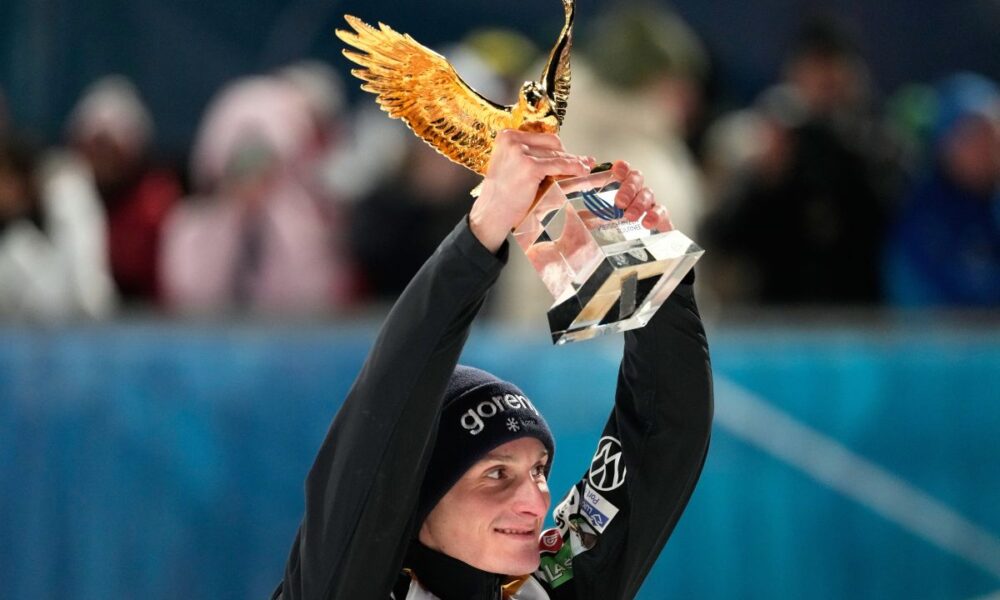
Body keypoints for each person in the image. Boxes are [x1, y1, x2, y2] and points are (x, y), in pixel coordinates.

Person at [272, 130, 714, 599]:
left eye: (540, 470)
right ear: (414, 495)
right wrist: (486, 224)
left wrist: (650, 278)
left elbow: (661, 436)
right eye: (497, 474)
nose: (536, 500)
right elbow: (385, 417)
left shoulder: (546, 589)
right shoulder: (338, 588)